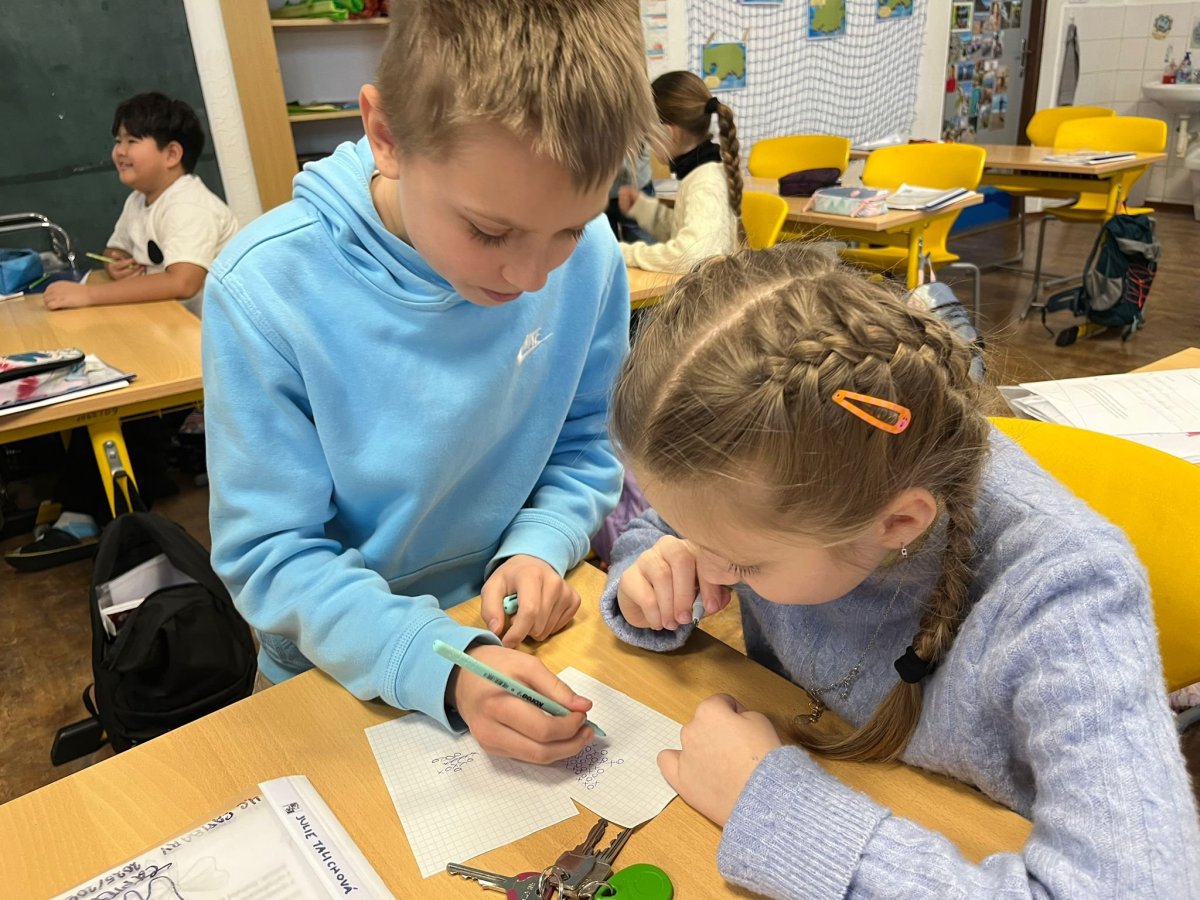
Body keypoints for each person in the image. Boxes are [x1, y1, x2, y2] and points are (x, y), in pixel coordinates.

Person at [601, 243, 1200, 897]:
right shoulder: (781, 489)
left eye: (742, 562)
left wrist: (778, 812)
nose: (708, 564)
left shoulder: (1066, 595)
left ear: (897, 524)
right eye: (692, 535)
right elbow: (665, 527)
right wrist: (644, 579)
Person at [201, 0, 656, 764]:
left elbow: (585, 444)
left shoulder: (593, 262)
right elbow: (272, 551)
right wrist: (437, 660)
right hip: (335, 675)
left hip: (514, 635)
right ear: (387, 137)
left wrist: (541, 546)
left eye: (570, 227)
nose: (532, 274)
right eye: (489, 231)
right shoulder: (264, 288)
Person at [43, 92, 238, 317]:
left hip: (207, 328)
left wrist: (88, 295)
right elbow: (117, 248)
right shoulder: (138, 199)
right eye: (118, 141)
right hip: (166, 318)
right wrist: (114, 262)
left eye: (132, 141)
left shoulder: (189, 204)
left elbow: (183, 283)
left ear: (172, 154)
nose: (120, 151)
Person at [617, 71, 742, 274]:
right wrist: (643, 208)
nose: (648, 143)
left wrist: (622, 252)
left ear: (668, 133)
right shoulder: (701, 172)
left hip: (709, 292)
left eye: (648, 135)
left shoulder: (706, 183)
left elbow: (691, 256)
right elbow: (684, 229)